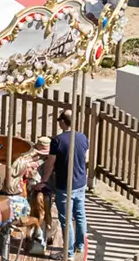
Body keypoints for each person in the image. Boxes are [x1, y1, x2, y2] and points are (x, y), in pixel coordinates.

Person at [46, 111, 90, 259]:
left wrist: (44, 181)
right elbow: (86, 159)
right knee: (80, 215)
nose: (58, 123)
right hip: (80, 182)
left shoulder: (57, 141)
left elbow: (50, 164)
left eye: (60, 120)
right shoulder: (83, 137)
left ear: (64, 122)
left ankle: (68, 253)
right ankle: (80, 245)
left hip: (65, 184)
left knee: (66, 220)